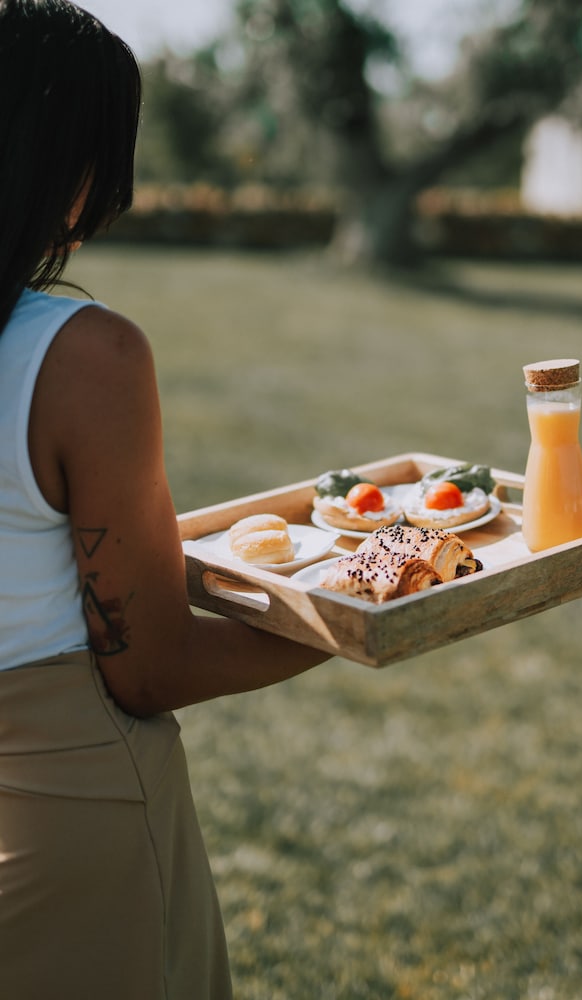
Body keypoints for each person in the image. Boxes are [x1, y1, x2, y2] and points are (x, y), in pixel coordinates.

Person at [0, 2, 332, 997]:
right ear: (78, 171)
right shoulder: (81, 356)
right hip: (67, 807)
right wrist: (374, 613)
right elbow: (150, 667)